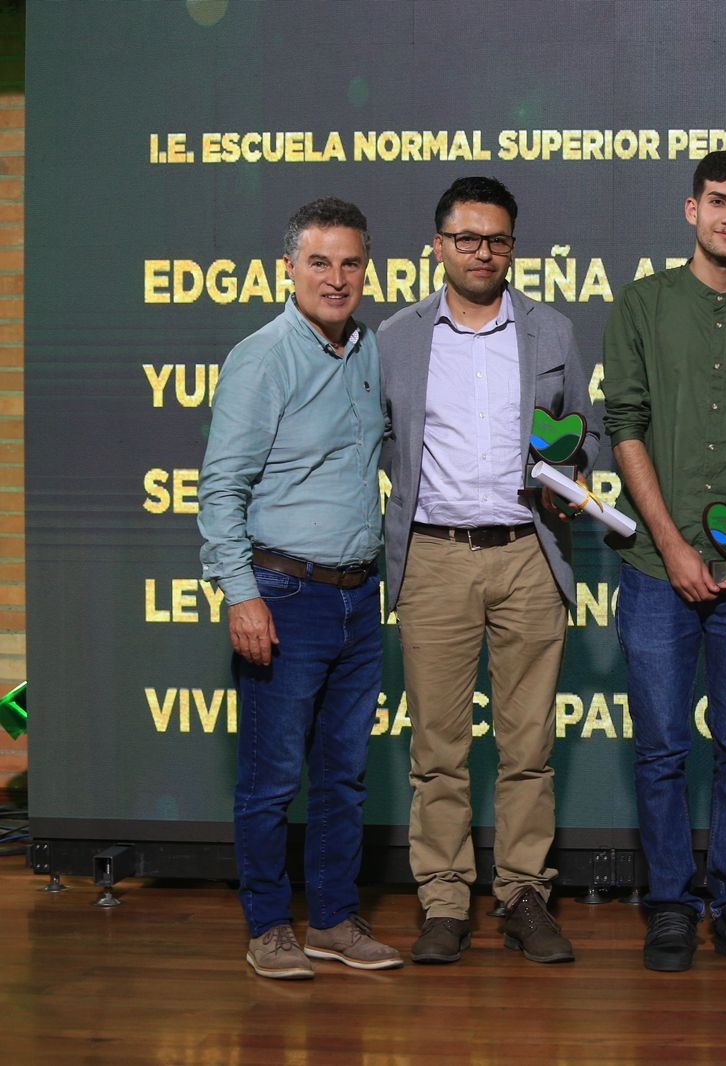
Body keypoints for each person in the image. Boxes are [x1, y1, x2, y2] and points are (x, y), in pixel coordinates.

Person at [379, 177, 597, 966]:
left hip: (529, 553)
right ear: (438, 245)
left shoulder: (553, 333)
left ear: (514, 246)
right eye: (466, 238)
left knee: (527, 745)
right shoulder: (397, 338)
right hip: (432, 556)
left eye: (496, 239)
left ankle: (524, 894)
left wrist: (576, 470)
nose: (481, 252)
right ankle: (442, 902)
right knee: (436, 748)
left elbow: (581, 436)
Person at [602, 149, 726, 972]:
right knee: (658, 749)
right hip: (659, 569)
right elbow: (625, 425)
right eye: (717, 201)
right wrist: (673, 544)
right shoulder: (643, 304)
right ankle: (669, 905)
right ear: (692, 210)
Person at [198, 197, 401, 978]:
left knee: (344, 776)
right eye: (319, 261)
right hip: (283, 595)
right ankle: (268, 926)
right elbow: (220, 489)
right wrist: (239, 594)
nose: (336, 277)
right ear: (288, 268)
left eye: (350, 262)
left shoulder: (372, 353)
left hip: (357, 598)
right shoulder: (263, 356)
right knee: (272, 779)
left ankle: (336, 921)